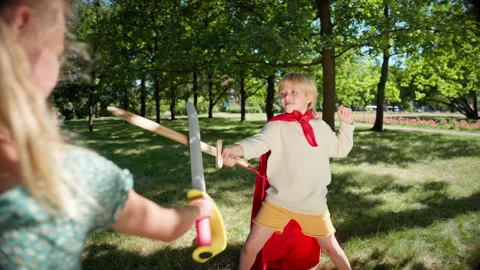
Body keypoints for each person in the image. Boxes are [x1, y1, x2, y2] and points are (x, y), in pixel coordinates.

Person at [0, 1, 213, 269]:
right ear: (22, 24)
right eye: (57, 53)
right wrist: (198, 210)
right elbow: (168, 227)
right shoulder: (71, 175)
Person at [222, 73, 355, 270]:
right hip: (278, 202)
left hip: (313, 204)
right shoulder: (276, 125)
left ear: (309, 97)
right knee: (249, 249)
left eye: (293, 92)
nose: (287, 97)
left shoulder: (320, 127)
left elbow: (341, 149)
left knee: (331, 249)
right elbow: (258, 143)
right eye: (283, 93)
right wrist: (235, 151)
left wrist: (346, 124)